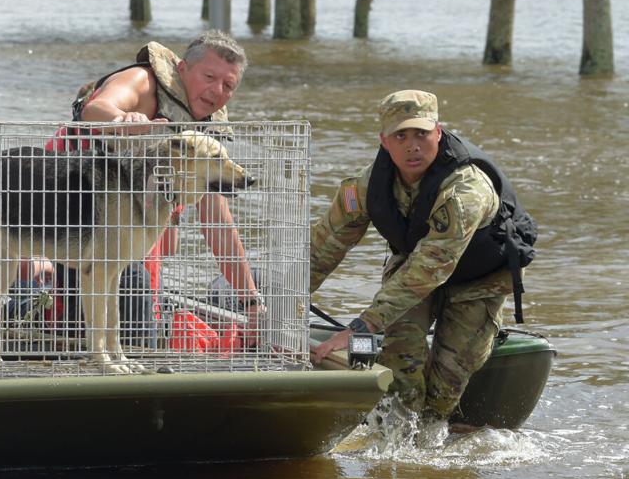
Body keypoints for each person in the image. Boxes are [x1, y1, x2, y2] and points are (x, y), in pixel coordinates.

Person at [310, 90, 536, 426]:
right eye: (401, 135)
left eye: (422, 134)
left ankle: (429, 434)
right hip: (415, 268)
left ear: (439, 133)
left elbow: (431, 268)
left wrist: (361, 326)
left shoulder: (465, 190)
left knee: (446, 384)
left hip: (478, 279)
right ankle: (400, 444)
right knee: (399, 359)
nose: (413, 146)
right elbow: (322, 250)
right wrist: (275, 305)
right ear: (384, 141)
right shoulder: (367, 185)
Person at [58, 30, 266, 343]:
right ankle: (17, 316)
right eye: (209, 76)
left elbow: (217, 220)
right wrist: (124, 120)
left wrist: (251, 304)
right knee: (130, 280)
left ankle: (141, 346)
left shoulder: (202, 133)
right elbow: (95, 109)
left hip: (131, 223)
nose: (216, 90)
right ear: (181, 69)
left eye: (228, 85)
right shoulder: (142, 81)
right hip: (68, 203)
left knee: (146, 278)